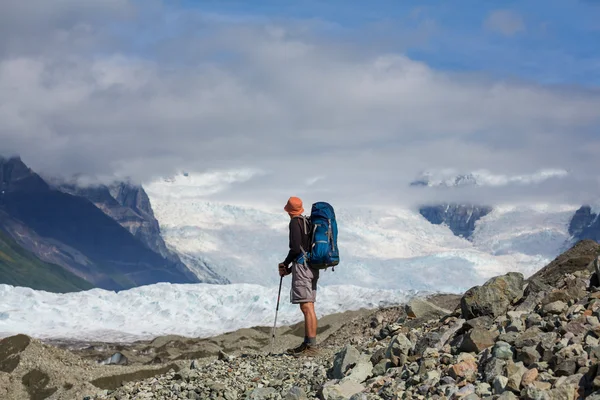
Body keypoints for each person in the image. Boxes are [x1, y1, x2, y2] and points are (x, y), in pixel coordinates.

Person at [278, 196, 320, 357]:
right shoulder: (307, 222)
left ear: (288, 210)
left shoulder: (295, 222)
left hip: (302, 266)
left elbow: (296, 249)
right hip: (312, 266)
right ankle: (308, 343)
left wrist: (285, 263)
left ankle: (312, 346)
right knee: (309, 305)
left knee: (306, 306)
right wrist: (289, 269)